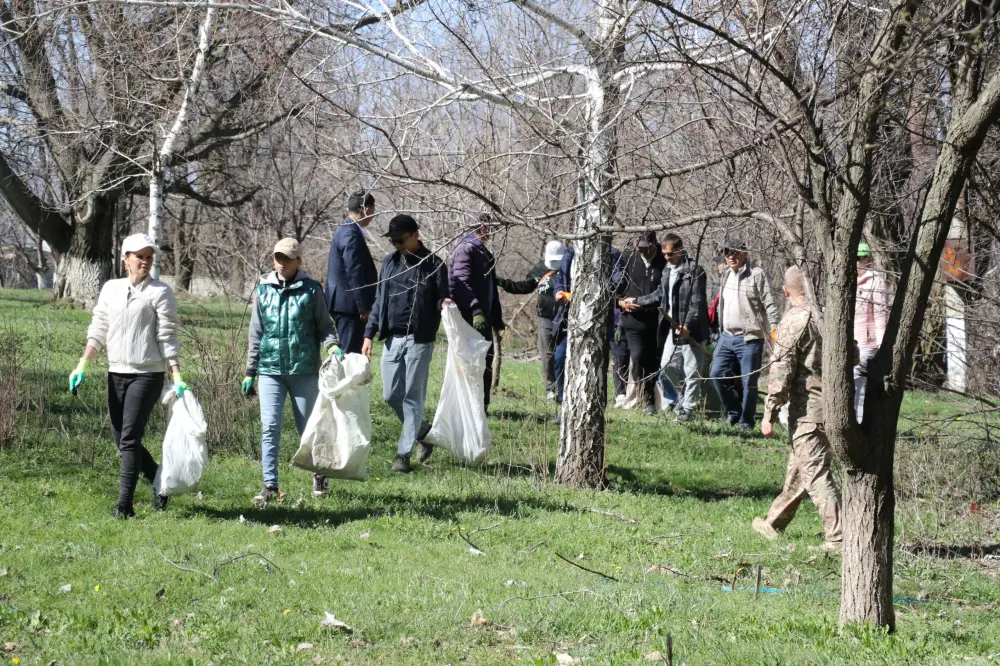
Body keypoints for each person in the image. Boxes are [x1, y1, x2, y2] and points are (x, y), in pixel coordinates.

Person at [69, 233, 186, 518]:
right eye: (139, 256)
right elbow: (99, 328)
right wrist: (82, 364)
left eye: (149, 257)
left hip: (147, 373)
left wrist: (177, 375)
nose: (145, 262)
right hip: (116, 371)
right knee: (120, 439)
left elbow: (167, 336)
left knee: (130, 438)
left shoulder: (160, 292)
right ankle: (159, 480)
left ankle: (124, 506)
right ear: (126, 259)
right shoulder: (111, 289)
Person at [243, 238, 342, 504]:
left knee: (308, 427)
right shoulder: (263, 290)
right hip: (270, 370)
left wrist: (332, 346)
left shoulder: (311, 290)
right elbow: (256, 334)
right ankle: (269, 484)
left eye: (286, 258)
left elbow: (324, 325)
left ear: (298, 261)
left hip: (303, 369)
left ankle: (319, 473)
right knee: (270, 426)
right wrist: (250, 371)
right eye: (277, 257)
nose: (281, 262)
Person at [753, 266, 842, 550]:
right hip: (836, 404)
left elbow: (782, 369)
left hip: (808, 410)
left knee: (815, 473)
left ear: (786, 291)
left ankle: (839, 538)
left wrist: (769, 410)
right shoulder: (830, 315)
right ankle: (772, 523)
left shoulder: (795, 319)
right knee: (799, 467)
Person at [362, 215, 452, 474]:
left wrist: (444, 304)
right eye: (392, 240)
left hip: (419, 339)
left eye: (400, 240)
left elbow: (440, 297)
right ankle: (423, 431)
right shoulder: (390, 262)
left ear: (415, 235)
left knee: (413, 398)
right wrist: (369, 333)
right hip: (393, 338)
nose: (396, 245)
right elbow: (380, 299)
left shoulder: (433, 264)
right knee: (391, 395)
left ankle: (403, 455)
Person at [626, 233, 708, 423]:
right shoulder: (667, 270)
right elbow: (659, 295)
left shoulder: (694, 271)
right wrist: (638, 301)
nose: (667, 258)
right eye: (664, 254)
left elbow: (697, 303)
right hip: (671, 327)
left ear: (680, 250)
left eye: (670, 254)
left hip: (691, 330)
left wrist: (688, 325)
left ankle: (688, 410)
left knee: (692, 370)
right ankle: (681, 399)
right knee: (666, 367)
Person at [709, 235, 779, 430]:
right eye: (726, 253)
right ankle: (733, 412)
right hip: (726, 336)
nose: (730, 256)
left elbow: (769, 303)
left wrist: (774, 329)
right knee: (716, 373)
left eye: (734, 252)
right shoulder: (724, 275)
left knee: (749, 382)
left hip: (749, 338)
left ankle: (747, 422)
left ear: (745, 253)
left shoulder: (756, 274)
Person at [496, 240, 564, 400]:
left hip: (566, 317)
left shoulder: (570, 267)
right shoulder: (540, 269)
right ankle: (550, 388)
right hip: (545, 318)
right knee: (547, 353)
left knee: (563, 354)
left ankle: (564, 386)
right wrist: (503, 283)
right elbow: (525, 286)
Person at [449, 213, 503, 412]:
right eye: (490, 229)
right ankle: (470, 407)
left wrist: (495, 316)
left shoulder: (481, 250)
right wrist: (476, 310)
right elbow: (459, 284)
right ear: (482, 228)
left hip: (484, 317)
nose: (491, 233)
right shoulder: (466, 248)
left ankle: (481, 406)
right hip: (470, 318)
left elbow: (489, 286)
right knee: (472, 363)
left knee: (484, 361)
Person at [616, 231, 667, 415]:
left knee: (653, 362)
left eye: (646, 247)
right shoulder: (627, 258)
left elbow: (663, 292)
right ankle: (645, 398)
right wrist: (621, 302)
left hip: (656, 321)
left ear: (654, 243)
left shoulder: (663, 261)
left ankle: (653, 401)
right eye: (640, 248)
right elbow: (616, 286)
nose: (642, 251)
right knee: (637, 357)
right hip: (632, 321)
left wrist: (641, 302)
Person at [326, 191, 378, 354]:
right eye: (374, 210)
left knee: (351, 351)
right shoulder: (350, 233)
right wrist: (362, 306)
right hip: (349, 306)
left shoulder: (346, 228)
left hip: (344, 303)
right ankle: (343, 380)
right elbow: (353, 271)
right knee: (350, 354)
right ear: (367, 210)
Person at [854, 242, 890, 423]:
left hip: (866, 343)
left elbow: (880, 315)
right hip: (848, 341)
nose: (859, 262)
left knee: (859, 380)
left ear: (867, 259)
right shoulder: (845, 280)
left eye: (861, 258)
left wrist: (882, 344)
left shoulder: (876, 281)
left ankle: (859, 421)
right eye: (856, 258)